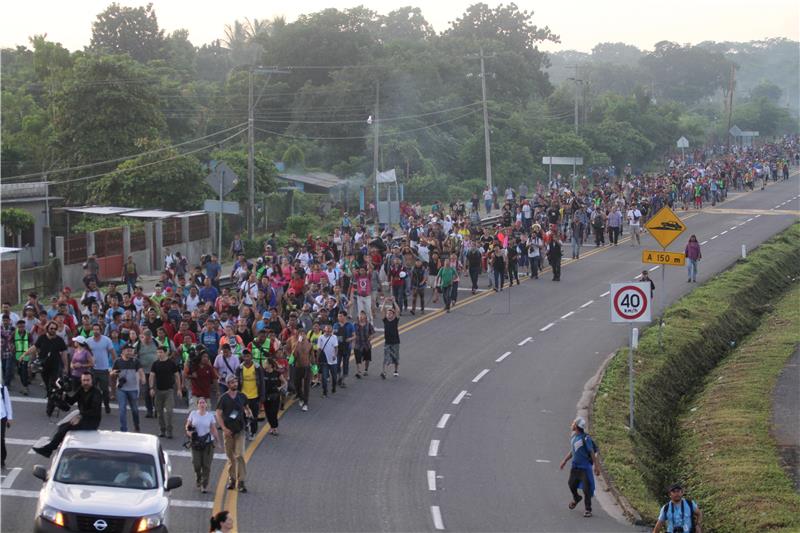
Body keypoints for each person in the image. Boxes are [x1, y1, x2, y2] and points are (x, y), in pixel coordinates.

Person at [32, 372, 102, 458]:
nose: (86, 382)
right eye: (84, 380)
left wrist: (80, 416)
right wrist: (64, 395)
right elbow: (71, 401)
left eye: (88, 380)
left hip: (91, 421)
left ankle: (49, 449)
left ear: (92, 381)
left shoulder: (96, 393)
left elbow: (95, 410)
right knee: (62, 427)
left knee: (65, 428)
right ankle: (50, 449)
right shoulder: (81, 389)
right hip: (83, 417)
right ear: (81, 381)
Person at [23, 320, 68, 416]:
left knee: (52, 385)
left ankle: (50, 405)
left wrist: (66, 367)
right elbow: (34, 347)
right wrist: (24, 355)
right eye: (51, 328)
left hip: (55, 366)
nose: (53, 330)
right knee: (48, 387)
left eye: (55, 329)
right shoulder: (42, 338)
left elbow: (64, 354)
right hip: (44, 367)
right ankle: (52, 400)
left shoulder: (59, 340)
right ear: (47, 328)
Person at [216, 375, 252, 493]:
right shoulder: (223, 398)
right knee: (231, 457)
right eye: (232, 382)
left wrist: (248, 413)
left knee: (240, 455)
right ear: (227, 384)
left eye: (236, 382)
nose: (234, 384)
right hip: (228, 432)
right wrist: (224, 428)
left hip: (240, 430)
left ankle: (241, 481)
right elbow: (218, 414)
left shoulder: (242, 396)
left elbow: (247, 408)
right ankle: (232, 479)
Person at [559, 416, 600, 518]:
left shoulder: (585, 438)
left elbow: (591, 452)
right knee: (571, 484)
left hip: (584, 468)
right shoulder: (574, 437)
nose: (572, 424)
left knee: (586, 489)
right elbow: (573, 451)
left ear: (576, 426)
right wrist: (564, 460)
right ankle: (576, 498)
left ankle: (588, 509)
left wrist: (596, 466)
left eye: (573, 423)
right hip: (575, 467)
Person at [185, 397, 220, 493]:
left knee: (206, 465)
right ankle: (198, 477)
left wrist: (217, 441)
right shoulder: (193, 414)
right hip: (195, 443)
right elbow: (187, 425)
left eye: (203, 402)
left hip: (207, 443)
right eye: (200, 403)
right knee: (196, 464)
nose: (202, 404)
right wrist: (189, 432)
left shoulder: (210, 416)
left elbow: (213, 429)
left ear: (206, 405)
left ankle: (204, 484)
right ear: (197, 405)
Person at [149, 346, 182, 438]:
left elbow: (177, 376)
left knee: (169, 411)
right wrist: (151, 388)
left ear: (166, 353)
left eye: (161, 352)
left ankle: (169, 430)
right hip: (158, 391)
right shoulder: (155, 364)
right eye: (158, 352)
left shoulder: (171, 363)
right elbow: (152, 376)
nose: (159, 354)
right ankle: (162, 430)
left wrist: (179, 389)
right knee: (159, 413)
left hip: (169, 391)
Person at [111, 345, 145, 432]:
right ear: (123, 351)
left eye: (131, 351)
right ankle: (123, 429)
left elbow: (141, 371)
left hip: (133, 389)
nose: (130, 352)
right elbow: (111, 373)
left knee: (135, 410)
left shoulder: (135, 361)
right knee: (122, 410)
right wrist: (114, 373)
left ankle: (136, 425)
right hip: (121, 389)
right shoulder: (118, 361)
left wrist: (143, 379)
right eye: (128, 350)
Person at [86, 323, 116, 414]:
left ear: (101, 330)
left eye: (97, 329)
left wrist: (115, 366)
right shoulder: (88, 341)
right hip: (93, 369)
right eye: (94, 329)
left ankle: (106, 405)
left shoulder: (107, 340)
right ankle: (93, 407)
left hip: (104, 369)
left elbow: (113, 353)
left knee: (105, 390)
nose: (95, 331)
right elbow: (85, 354)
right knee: (92, 390)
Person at [236, 350, 264, 440]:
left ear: (251, 356)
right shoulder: (239, 368)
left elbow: (262, 383)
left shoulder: (257, 368)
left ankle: (253, 432)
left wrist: (261, 397)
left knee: (254, 416)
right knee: (243, 416)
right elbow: (236, 383)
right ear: (242, 357)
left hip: (255, 396)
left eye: (248, 356)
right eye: (245, 357)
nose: (247, 359)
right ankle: (245, 430)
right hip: (243, 397)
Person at [262, 358, 286, 436]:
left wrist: (279, 388)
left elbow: (285, 382)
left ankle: (275, 428)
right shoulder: (263, 373)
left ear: (270, 365)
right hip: (266, 396)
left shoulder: (277, 373)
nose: (264, 364)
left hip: (275, 396)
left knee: (274, 412)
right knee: (268, 413)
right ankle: (272, 427)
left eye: (265, 363)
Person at [381, 297, 401, 379]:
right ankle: (384, 372)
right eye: (387, 314)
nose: (388, 315)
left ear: (393, 315)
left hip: (395, 342)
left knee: (396, 357)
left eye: (390, 314)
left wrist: (394, 302)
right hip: (387, 342)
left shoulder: (395, 320)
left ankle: (396, 371)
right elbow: (382, 310)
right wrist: (385, 302)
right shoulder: (385, 320)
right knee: (386, 357)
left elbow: (398, 310)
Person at [317, 324, 338, 397]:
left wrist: (335, 355)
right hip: (324, 361)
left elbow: (336, 348)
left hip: (333, 361)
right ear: (324, 331)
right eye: (327, 331)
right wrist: (317, 359)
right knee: (324, 378)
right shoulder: (320, 338)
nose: (329, 332)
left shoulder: (334, 337)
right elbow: (319, 349)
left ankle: (334, 387)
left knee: (334, 377)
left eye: (330, 331)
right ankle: (324, 392)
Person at [0, 381, 12, 468]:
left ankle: (2, 459)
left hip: (2, 417)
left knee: (1, 439)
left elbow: (7, 403)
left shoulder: (3, 388)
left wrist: (9, 417)